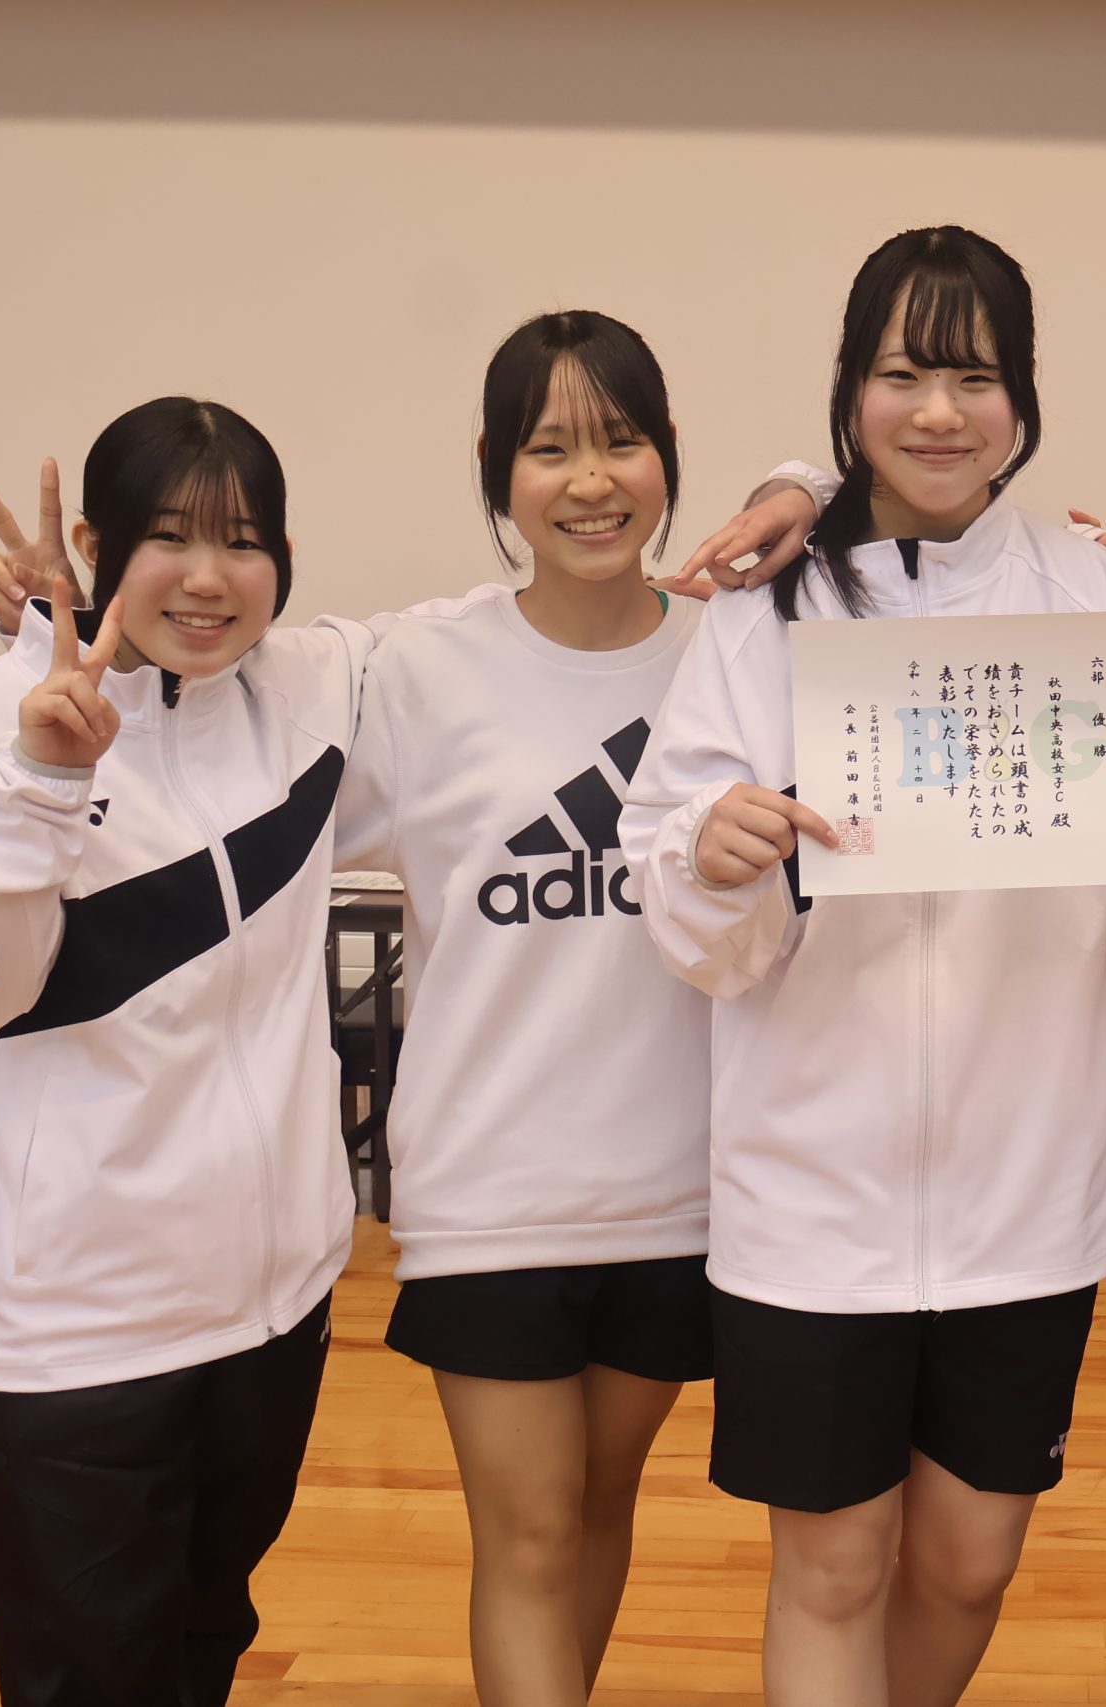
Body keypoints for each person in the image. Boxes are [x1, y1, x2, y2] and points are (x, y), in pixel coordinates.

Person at [618, 224, 1106, 1707]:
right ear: (848, 393)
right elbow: (683, 902)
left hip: (1028, 1197)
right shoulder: (765, 610)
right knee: (830, 1569)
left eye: (975, 377)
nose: (940, 412)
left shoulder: (1103, 602)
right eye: (902, 374)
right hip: (810, 1198)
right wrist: (712, 856)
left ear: (1024, 397)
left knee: (967, 1564)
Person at [0, 398, 372, 1707]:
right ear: (98, 548)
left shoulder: (313, 692)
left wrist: (798, 492)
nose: (209, 576)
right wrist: (40, 781)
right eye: (169, 537)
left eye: (243, 540)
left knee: (206, 1639)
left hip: (272, 1308)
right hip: (75, 1330)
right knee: (88, 1676)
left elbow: (530, 630)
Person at [330, 310, 716, 1707]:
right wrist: (58, 638)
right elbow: (216, 689)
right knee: (532, 1531)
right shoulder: (412, 670)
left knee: (599, 1506)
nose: (591, 480)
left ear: (668, 457)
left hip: (682, 1186)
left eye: (622, 440)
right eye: (551, 449)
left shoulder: (734, 655)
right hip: (492, 1188)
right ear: (499, 472)